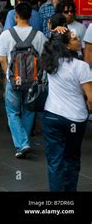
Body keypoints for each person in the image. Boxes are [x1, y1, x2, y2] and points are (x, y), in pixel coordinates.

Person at [40, 31, 92, 191]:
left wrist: (55, 31)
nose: (79, 40)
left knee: (55, 160)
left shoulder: (49, 62)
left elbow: (48, 44)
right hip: (75, 118)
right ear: (67, 45)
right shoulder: (81, 66)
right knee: (72, 158)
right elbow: (91, 97)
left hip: (51, 115)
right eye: (75, 39)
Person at [0, 3, 47, 158]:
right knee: (29, 111)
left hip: (14, 80)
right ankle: (24, 141)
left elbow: (3, 59)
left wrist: (8, 76)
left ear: (15, 16)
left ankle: (22, 143)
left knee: (12, 112)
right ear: (30, 16)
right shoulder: (39, 35)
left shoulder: (6, 35)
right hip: (32, 81)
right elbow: (44, 59)